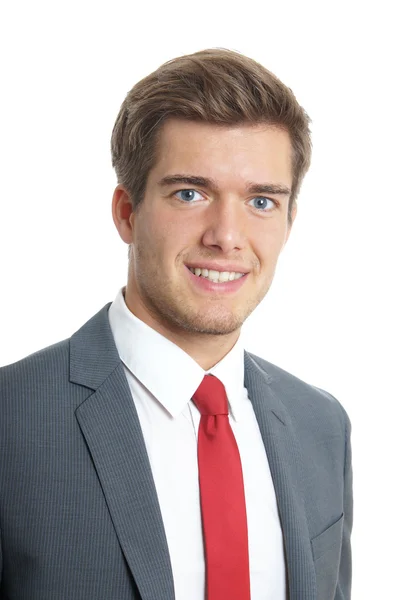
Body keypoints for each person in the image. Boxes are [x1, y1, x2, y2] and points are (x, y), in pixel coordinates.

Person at [0, 48, 353, 600]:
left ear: (288, 223)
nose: (227, 235)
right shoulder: (10, 419)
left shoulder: (321, 425)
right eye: (191, 193)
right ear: (127, 212)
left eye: (261, 201)